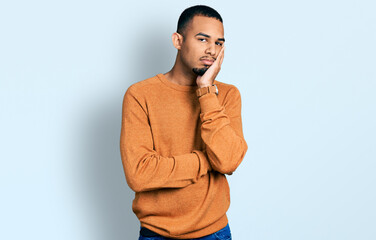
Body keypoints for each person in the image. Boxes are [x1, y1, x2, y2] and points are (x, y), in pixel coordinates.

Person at [120, 4, 248, 240]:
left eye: (219, 43)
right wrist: (206, 159)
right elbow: (139, 174)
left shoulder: (227, 95)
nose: (211, 50)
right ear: (178, 41)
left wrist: (207, 92)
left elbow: (228, 161)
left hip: (214, 232)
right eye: (202, 39)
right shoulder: (140, 95)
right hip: (156, 234)